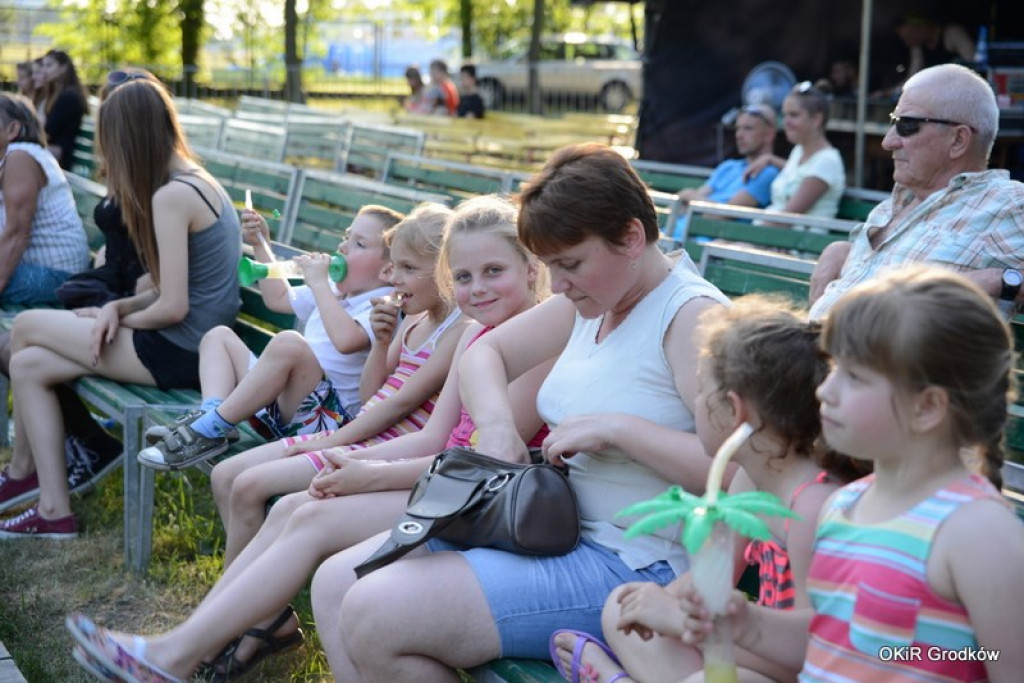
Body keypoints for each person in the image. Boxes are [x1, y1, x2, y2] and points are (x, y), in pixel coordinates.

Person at [64, 195, 553, 682]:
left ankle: (175, 657)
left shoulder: (539, 342)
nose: (476, 289)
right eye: (463, 277)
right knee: (289, 508)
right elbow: (430, 436)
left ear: (532, 268)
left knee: (312, 518)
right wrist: (353, 463)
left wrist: (367, 473)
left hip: (479, 500)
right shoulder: (475, 335)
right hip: (440, 480)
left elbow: (482, 464)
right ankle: (192, 644)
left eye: (493, 271)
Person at [302, 143, 731, 680]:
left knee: (374, 608)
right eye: (551, 266)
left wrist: (622, 431)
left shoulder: (690, 318)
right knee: (337, 582)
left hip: (638, 565)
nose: (560, 282)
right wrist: (498, 429)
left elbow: (738, 472)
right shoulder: (593, 300)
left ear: (631, 237)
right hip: (553, 529)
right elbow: (487, 352)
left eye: (570, 264)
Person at [680, 266, 1024, 682]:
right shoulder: (844, 503)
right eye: (835, 368)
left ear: (928, 406)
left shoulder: (977, 531)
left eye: (854, 377)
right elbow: (831, 640)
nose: (825, 390)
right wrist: (748, 625)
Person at [549, 296, 869, 683]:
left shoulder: (812, 505)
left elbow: (819, 648)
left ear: (735, 410)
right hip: (748, 642)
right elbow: (708, 579)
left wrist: (683, 621)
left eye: (701, 392)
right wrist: (667, 604)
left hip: (798, 666)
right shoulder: (751, 479)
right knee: (622, 607)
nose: (695, 403)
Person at [0, 78, 241, 537]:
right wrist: (118, 309)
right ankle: (54, 511)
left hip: (179, 349)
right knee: (28, 363)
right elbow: (163, 288)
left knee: (28, 326)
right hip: (180, 340)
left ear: (129, 135)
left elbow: (172, 305)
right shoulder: (194, 180)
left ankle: (27, 472)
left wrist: (115, 313)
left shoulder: (172, 196)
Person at [208, 203, 467, 562]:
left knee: (250, 485)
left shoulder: (457, 331)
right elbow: (372, 395)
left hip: (374, 444)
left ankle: (246, 611)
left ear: (445, 271)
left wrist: (331, 442)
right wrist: (381, 342)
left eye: (408, 268)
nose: (395, 279)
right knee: (225, 475)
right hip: (358, 433)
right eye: (396, 267)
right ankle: (249, 605)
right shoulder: (412, 320)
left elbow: (399, 404)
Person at [136, 203, 400, 469]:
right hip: (283, 405)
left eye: (360, 244)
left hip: (325, 424)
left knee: (290, 344)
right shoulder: (333, 288)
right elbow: (278, 298)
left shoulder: (381, 305)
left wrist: (319, 285)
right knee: (218, 337)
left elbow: (347, 341)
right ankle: (213, 419)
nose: (343, 247)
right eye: (346, 237)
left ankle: (206, 428)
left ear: (388, 270)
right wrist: (261, 244)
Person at [809, 63, 1024, 319]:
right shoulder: (894, 205)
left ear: (958, 141)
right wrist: (841, 251)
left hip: (876, 357)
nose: (888, 142)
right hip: (815, 349)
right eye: (894, 122)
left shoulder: (1006, 201)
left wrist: (998, 280)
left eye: (907, 125)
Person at [0, 93, 90, 307]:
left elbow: (17, 234)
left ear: (12, 130)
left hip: (55, 275)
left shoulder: (21, 157)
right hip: (36, 269)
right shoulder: (16, 156)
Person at [671, 103, 779, 240]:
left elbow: (721, 214)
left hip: (704, 244)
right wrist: (696, 202)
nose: (739, 135)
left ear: (769, 134)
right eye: (738, 128)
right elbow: (686, 205)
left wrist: (689, 195)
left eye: (748, 128)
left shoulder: (768, 173)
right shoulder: (728, 166)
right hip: (678, 233)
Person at [747, 81, 845, 221]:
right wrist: (770, 159)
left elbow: (787, 220)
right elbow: (800, 173)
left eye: (793, 115)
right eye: (784, 115)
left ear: (817, 119)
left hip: (791, 239)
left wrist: (746, 237)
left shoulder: (827, 161)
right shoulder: (799, 150)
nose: (785, 122)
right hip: (774, 237)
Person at [40, 49, 89, 171]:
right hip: (54, 152)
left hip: (61, 157)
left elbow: (48, 131)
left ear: (63, 68)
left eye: (49, 65)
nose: (44, 70)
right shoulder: (56, 95)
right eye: (43, 66)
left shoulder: (69, 97)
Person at [897, 12, 975, 81]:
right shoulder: (917, 46)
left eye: (910, 37)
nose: (908, 43)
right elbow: (913, 77)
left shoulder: (952, 33)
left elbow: (974, 63)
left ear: (921, 27)